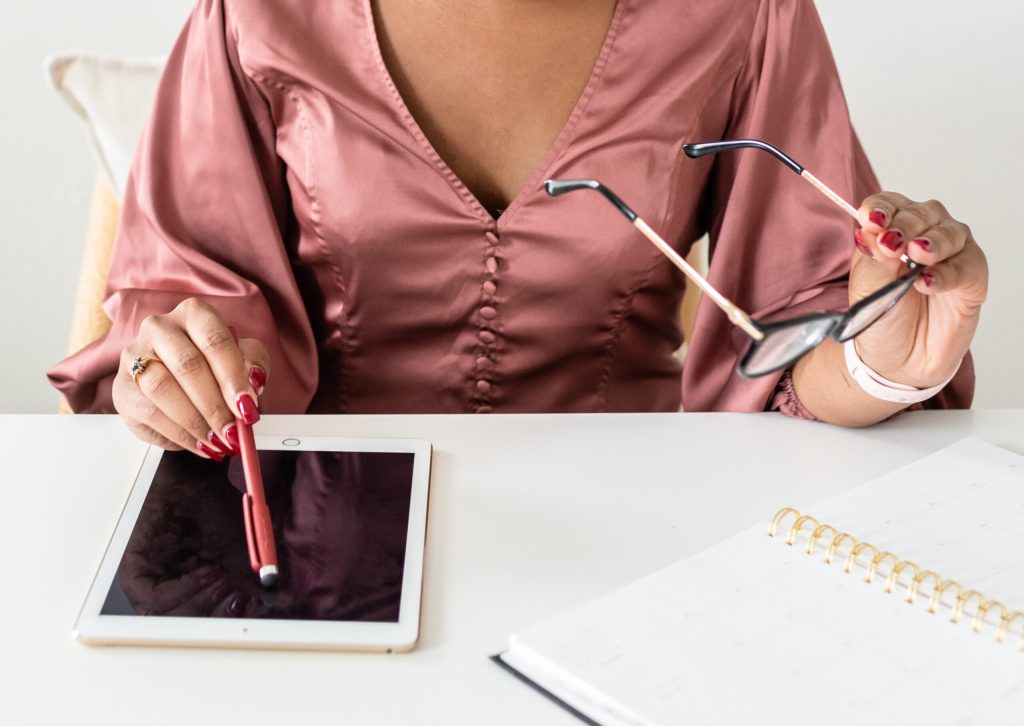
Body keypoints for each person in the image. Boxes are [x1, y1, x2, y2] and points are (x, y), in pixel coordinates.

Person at [48, 0, 987, 458]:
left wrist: (880, 361)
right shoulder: (258, 14)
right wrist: (179, 380)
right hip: (320, 527)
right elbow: (195, 310)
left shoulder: (743, 16)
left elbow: (796, 352)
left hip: (643, 537)